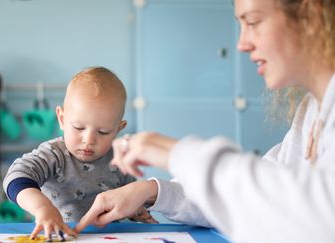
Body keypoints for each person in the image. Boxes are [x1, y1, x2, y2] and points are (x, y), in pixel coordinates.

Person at [75, 0, 335, 242]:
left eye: (253, 22)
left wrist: (174, 152)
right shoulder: (311, 110)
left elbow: (319, 220)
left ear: (310, 15)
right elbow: (253, 201)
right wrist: (149, 190)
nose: (242, 43)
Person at [3, 67, 156, 240]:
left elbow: (128, 195)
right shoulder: (53, 154)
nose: (89, 140)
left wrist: (136, 209)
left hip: (111, 237)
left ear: (118, 129)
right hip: (60, 236)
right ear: (62, 119)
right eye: (78, 127)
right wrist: (42, 208)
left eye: (103, 132)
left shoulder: (119, 157)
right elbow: (15, 178)